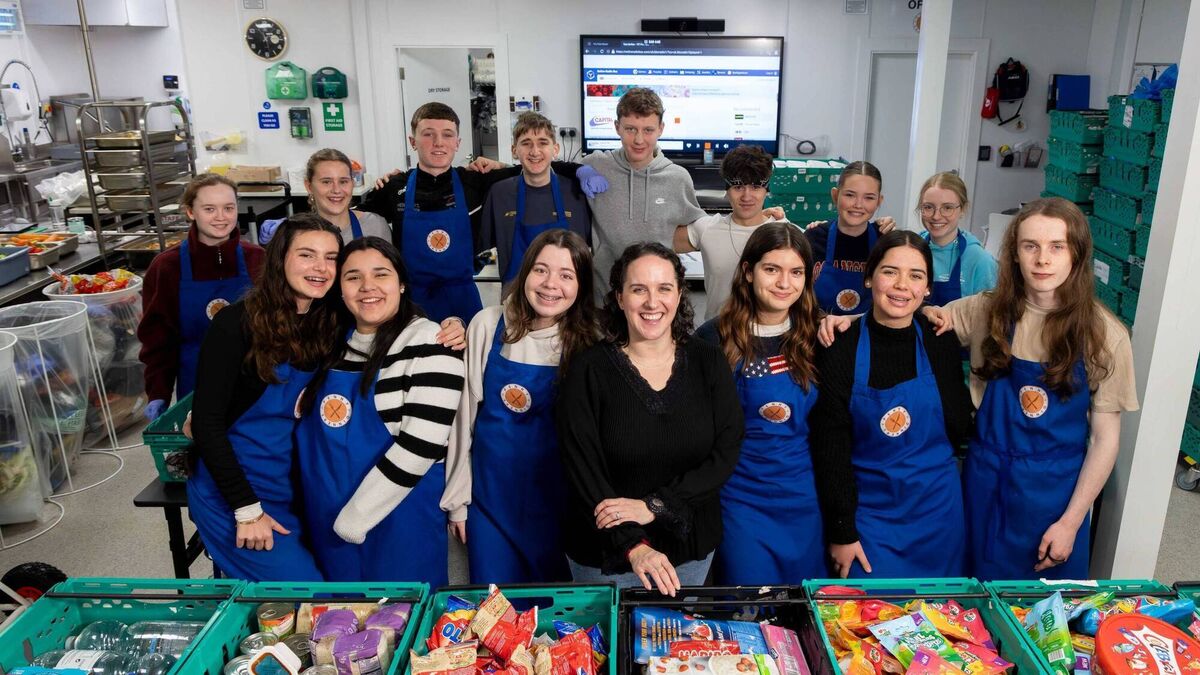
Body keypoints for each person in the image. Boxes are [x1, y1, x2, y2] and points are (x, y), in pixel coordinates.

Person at [926, 197, 1138, 580]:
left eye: (1057, 247)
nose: (1042, 260)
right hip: (984, 485)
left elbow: (1105, 440)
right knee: (973, 598)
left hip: (1055, 498)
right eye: (1031, 246)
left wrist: (1071, 523)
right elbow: (917, 320)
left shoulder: (1104, 335)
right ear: (1015, 253)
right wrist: (846, 322)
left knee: (1046, 609)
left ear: (1077, 254)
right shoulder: (985, 311)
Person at [557, 242, 743, 595]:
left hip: (691, 550)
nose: (652, 302)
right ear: (619, 297)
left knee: (681, 630)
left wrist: (656, 506)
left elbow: (725, 451)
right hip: (607, 554)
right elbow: (583, 471)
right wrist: (633, 545)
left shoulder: (708, 361)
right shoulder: (588, 369)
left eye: (664, 288)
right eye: (638, 289)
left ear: (679, 294)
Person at [297, 236, 466, 585]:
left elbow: (420, 447)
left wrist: (353, 520)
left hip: (396, 527)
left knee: (402, 616)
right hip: (324, 523)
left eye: (381, 274)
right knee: (334, 618)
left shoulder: (430, 343)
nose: (367, 286)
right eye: (353, 276)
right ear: (339, 288)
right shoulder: (327, 343)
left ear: (401, 283)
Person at [186, 214, 342, 581]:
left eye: (331, 257)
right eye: (307, 255)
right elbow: (206, 424)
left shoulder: (326, 321)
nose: (321, 268)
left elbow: (384, 308)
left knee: (338, 583)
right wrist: (246, 510)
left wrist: (451, 326)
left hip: (289, 486)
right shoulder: (235, 324)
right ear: (280, 259)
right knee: (308, 594)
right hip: (234, 490)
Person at [809, 231, 972, 578]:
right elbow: (830, 448)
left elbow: (958, 424)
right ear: (869, 277)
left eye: (916, 276)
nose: (902, 285)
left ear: (927, 289)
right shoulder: (840, 346)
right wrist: (842, 531)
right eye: (890, 271)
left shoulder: (939, 340)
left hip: (938, 517)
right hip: (870, 519)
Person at [360, 102, 606, 324]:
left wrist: (580, 170)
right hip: (410, 301)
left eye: (447, 135)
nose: (438, 142)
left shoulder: (476, 181)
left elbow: (536, 166)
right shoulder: (393, 188)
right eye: (428, 134)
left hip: (462, 299)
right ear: (412, 141)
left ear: (458, 142)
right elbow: (353, 219)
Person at [445, 229, 598, 584]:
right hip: (490, 504)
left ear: (581, 286)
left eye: (566, 275)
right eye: (541, 270)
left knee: (554, 607)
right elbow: (463, 420)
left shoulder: (590, 342)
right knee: (494, 606)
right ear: (525, 271)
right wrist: (457, 501)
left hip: (558, 507)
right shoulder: (487, 325)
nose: (550, 284)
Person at [695, 222, 827, 583]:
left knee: (803, 605)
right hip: (740, 501)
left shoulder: (820, 334)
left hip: (805, 499)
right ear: (748, 271)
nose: (785, 283)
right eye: (772, 269)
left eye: (796, 272)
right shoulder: (712, 338)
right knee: (748, 600)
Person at [139, 173, 265, 417]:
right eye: (209, 209)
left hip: (255, 384)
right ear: (190, 212)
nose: (221, 217)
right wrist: (158, 392)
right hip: (195, 387)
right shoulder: (167, 267)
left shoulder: (258, 259)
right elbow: (158, 341)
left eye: (228, 208)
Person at [582, 88, 707, 301]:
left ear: (661, 129)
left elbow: (701, 230)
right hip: (604, 301)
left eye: (648, 130)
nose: (639, 139)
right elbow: (552, 169)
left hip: (654, 302)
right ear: (617, 127)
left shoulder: (678, 178)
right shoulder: (596, 166)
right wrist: (579, 170)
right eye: (630, 129)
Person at [673, 145, 788, 321]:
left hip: (768, 333)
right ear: (726, 189)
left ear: (767, 189)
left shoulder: (784, 233)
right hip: (717, 332)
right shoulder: (706, 228)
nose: (746, 196)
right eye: (738, 187)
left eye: (755, 187)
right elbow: (657, 240)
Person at [481, 112, 592, 292]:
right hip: (515, 296)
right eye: (526, 143)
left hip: (567, 296)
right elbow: (483, 249)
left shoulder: (577, 193)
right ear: (514, 150)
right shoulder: (500, 193)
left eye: (543, 143)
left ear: (555, 149)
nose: (534, 151)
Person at [805, 161, 893, 316]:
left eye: (869, 198)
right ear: (835, 195)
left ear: (879, 201)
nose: (858, 205)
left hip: (866, 329)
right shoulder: (814, 237)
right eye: (850, 195)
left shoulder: (886, 242)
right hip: (818, 327)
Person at [261, 148, 392, 246]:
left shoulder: (375, 226)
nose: (336, 190)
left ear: (352, 184)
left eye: (343, 181)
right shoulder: (296, 234)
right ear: (309, 186)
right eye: (326, 182)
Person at [916, 172, 998, 305]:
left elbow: (991, 313)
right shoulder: (912, 248)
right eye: (928, 207)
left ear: (963, 209)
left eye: (947, 208)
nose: (936, 216)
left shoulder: (980, 260)